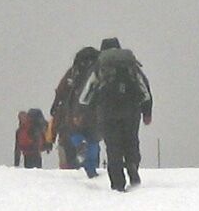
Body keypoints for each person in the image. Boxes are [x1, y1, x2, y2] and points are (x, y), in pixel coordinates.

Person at [88, 37, 152, 192]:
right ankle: (132, 164)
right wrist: (147, 112)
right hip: (131, 110)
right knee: (131, 141)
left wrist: (88, 110)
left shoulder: (101, 65)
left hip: (107, 111)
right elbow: (144, 89)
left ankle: (118, 183)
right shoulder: (130, 63)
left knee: (113, 146)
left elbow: (88, 92)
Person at [51, 47, 100, 179]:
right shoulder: (99, 71)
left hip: (74, 109)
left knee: (73, 132)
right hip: (94, 111)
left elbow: (61, 90)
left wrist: (55, 105)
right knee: (93, 139)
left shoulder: (73, 72)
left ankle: (79, 144)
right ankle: (92, 169)